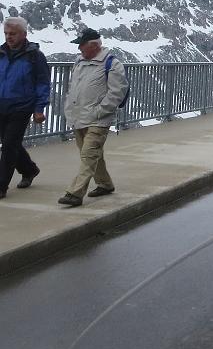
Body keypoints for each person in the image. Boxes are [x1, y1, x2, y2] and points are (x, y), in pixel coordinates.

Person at [58, 28, 128, 208]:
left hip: (98, 119)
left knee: (88, 155)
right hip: (79, 117)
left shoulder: (112, 64)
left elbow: (117, 92)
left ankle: (75, 192)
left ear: (95, 45)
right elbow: (74, 87)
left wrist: (100, 111)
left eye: (82, 45)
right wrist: (69, 108)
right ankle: (105, 184)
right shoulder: (79, 62)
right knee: (90, 154)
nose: (79, 48)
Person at [0, 17, 49, 199]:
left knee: (9, 145)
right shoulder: (1, 53)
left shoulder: (35, 56)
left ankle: (1, 186)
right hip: (1, 105)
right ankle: (29, 169)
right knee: (9, 143)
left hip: (21, 107)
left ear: (24, 34)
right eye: (6, 33)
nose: (8, 37)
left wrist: (39, 108)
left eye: (12, 34)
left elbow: (43, 83)